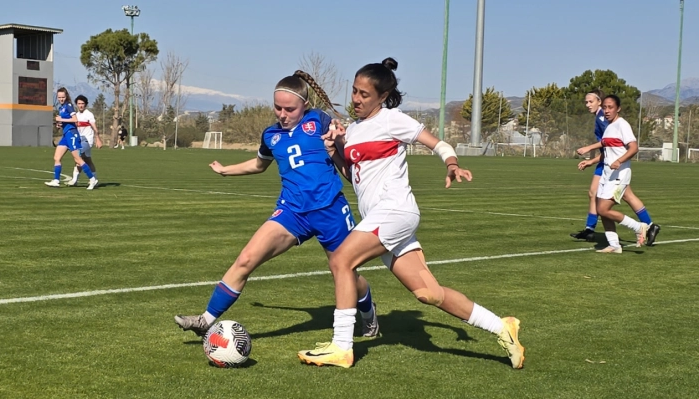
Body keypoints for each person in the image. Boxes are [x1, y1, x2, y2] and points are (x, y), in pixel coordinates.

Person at [297, 58, 524, 369]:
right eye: (354, 91)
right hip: (381, 216)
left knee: (340, 259)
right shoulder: (353, 131)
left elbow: (436, 142)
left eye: (364, 94)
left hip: (395, 211)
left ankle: (341, 346)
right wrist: (335, 150)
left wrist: (452, 164)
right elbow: (354, 177)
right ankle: (503, 327)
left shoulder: (393, 120)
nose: (356, 99)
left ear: (382, 96)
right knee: (428, 294)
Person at [174, 70, 380, 338]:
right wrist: (226, 170)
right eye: (278, 107)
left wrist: (339, 136)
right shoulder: (271, 135)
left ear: (305, 105)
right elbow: (259, 164)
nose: (282, 114)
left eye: (289, 109)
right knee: (246, 258)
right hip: (292, 212)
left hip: (330, 210)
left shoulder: (318, 120)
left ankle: (368, 315)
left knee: (347, 273)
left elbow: (345, 142)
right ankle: (205, 320)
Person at [572, 90, 660, 245]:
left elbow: (620, 144)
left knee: (598, 199)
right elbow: (607, 143)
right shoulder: (607, 120)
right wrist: (592, 159)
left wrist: (591, 152)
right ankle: (648, 227)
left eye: (590, 101)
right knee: (626, 195)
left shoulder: (605, 120)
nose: (587, 105)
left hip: (612, 165)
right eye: (586, 102)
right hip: (608, 164)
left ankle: (592, 229)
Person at [45, 88, 99, 190]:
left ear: (66, 96)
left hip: (72, 134)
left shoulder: (68, 106)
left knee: (78, 159)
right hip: (66, 135)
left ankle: (92, 179)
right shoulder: (61, 108)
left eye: (63, 97)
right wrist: (60, 124)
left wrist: (61, 119)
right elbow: (68, 121)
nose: (61, 99)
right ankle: (56, 180)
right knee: (57, 157)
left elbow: (75, 119)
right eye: (59, 97)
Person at [68, 95, 102, 186]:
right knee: (87, 160)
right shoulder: (76, 115)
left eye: (82, 103)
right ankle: (94, 179)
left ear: (85, 104)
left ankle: (75, 180)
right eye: (79, 103)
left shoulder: (89, 114)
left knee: (78, 157)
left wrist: (98, 139)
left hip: (87, 140)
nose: (81, 105)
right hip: (80, 140)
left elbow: (95, 128)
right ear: (76, 105)